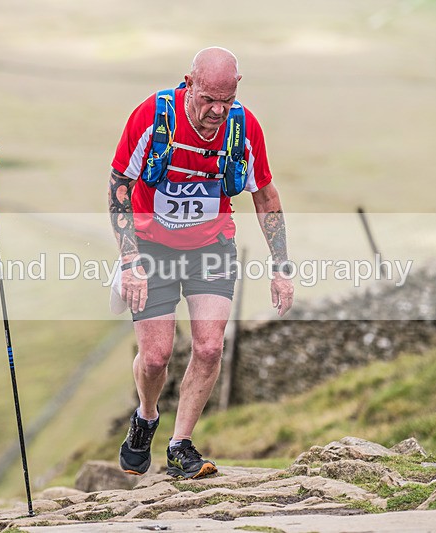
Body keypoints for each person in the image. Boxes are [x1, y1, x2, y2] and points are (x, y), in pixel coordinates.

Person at [108, 47, 294, 479]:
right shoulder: (153, 117)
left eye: (226, 100)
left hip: (211, 245)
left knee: (209, 347)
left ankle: (180, 445)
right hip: (151, 245)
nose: (217, 110)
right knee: (155, 358)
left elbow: (265, 195)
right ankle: (146, 418)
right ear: (188, 82)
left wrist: (281, 265)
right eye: (208, 98)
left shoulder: (244, 129)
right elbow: (120, 184)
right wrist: (130, 257)